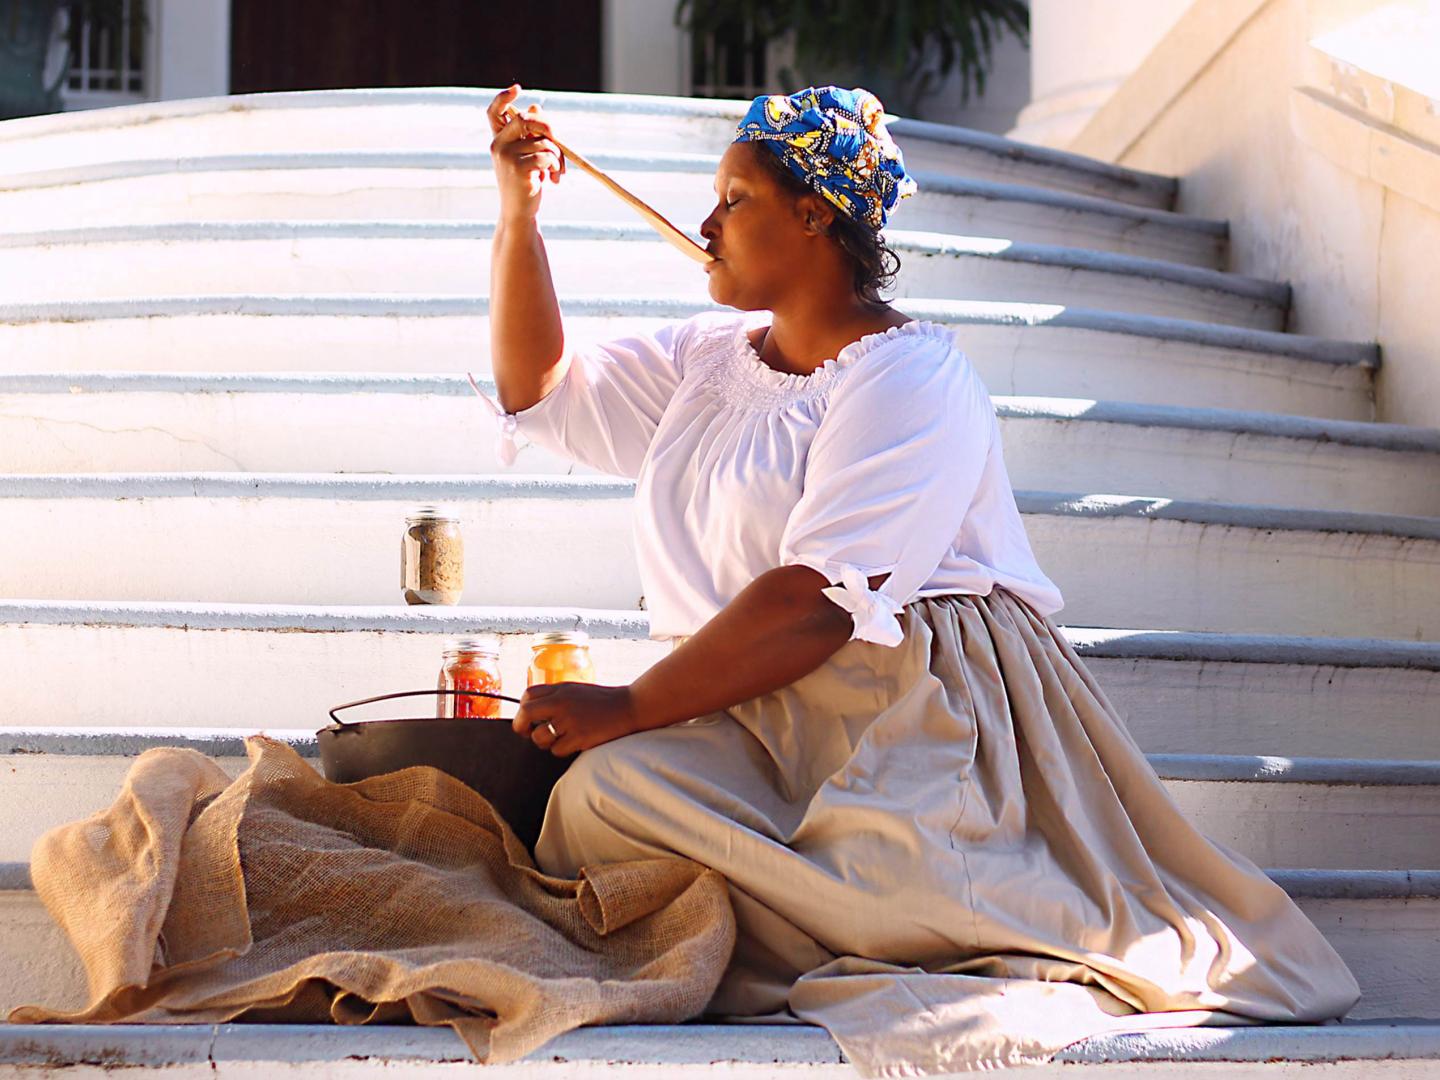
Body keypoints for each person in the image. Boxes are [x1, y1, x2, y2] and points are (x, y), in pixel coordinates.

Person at [479, 82, 1361, 1075]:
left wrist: (632, 701)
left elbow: (816, 601)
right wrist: (524, 213)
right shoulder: (709, 360)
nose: (707, 223)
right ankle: (796, 907)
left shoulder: (911, 375)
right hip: (749, 708)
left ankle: (872, 909)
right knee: (598, 800)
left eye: (736, 200)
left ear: (814, 214)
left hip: (910, 706)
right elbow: (539, 387)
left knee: (888, 867)